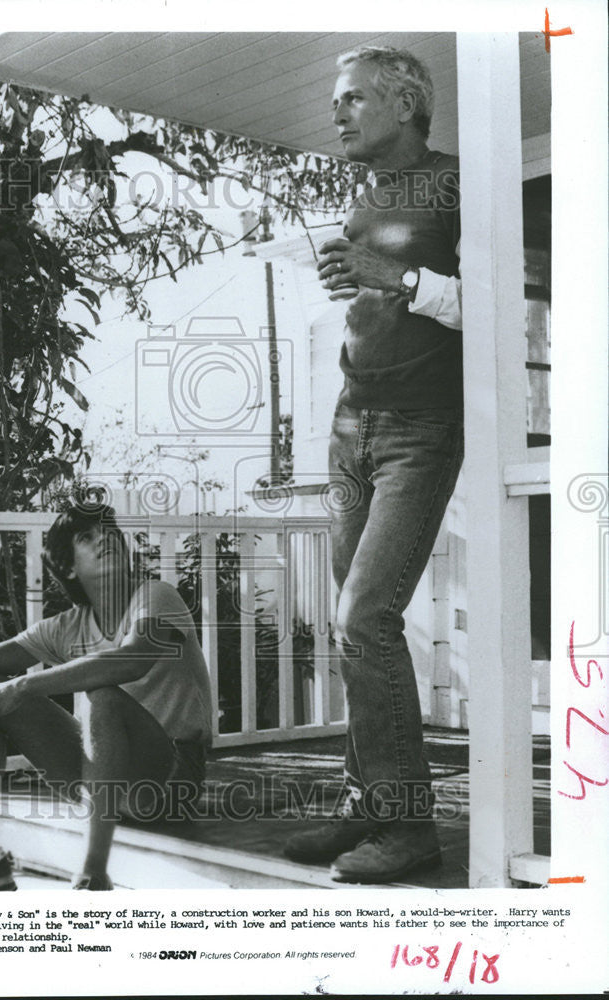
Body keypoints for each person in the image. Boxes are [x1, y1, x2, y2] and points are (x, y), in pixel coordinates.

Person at [284, 46, 463, 883]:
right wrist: (361, 279)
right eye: (335, 103)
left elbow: (511, 298)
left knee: (366, 616)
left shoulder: (462, 185)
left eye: (352, 99)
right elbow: (378, 292)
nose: (339, 114)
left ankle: (407, 828)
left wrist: (393, 274)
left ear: (404, 103)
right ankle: (364, 803)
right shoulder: (365, 199)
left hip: (421, 429)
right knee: (349, 625)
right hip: (351, 423)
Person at [0, 502, 213, 891]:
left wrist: (20, 687)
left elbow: (129, 662)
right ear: (69, 567)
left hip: (170, 783)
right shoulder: (68, 626)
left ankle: (92, 874)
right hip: (100, 780)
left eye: (109, 530)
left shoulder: (156, 596)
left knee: (102, 694)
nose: (104, 537)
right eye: (87, 536)